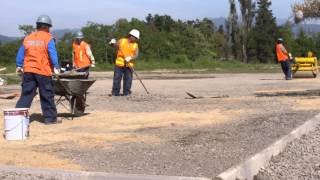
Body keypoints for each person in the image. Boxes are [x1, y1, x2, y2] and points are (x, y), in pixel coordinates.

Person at [16, 15, 61, 125]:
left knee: (26, 94)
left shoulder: (28, 37)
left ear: (37, 26)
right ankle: (50, 118)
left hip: (28, 71)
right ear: (47, 27)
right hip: (43, 71)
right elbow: (52, 54)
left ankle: (18, 118)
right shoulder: (48, 38)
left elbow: (21, 53)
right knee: (47, 94)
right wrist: (56, 66)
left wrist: (19, 64)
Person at [111, 29, 140, 96]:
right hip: (119, 63)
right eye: (135, 38)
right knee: (117, 78)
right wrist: (112, 43)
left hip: (129, 65)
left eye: (136, 38)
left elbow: (136, 55)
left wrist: (130, 58)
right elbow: (114, 46)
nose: (136, 39)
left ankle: (126, 92)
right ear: (131, 36)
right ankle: (115, 92)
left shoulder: (136, 45)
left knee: (128, 79)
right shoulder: (122, 41)